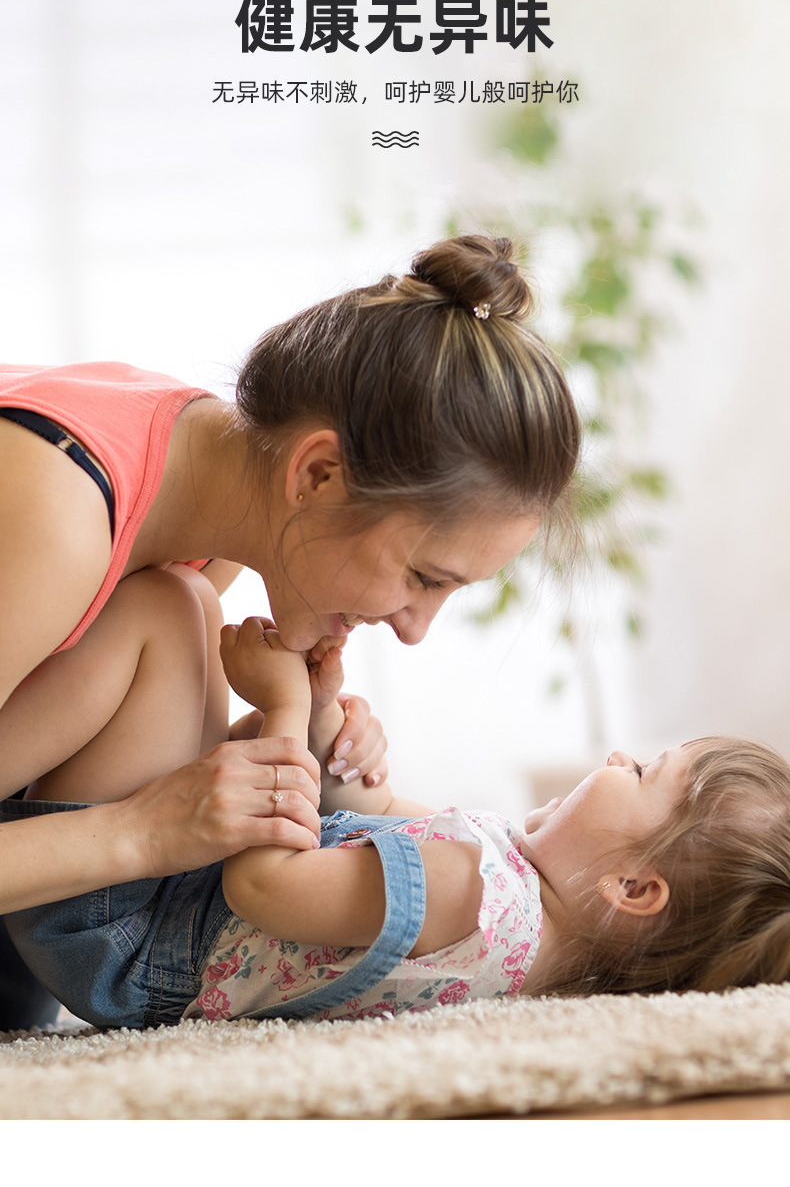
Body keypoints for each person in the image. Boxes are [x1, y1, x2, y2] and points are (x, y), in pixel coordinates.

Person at [0, 234, 582, 1027]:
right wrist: (139, 833)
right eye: (423, 577)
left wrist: (268, 751)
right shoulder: (58, 516)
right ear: (317, 474)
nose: (413, 632)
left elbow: (68, 729)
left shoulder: (198, 495)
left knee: (183, 609)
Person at [3, 605, 790, 1028]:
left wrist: (277, 701)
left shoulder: (471, 890)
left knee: (166, 613)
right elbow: (363, 807)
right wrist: (327, 730)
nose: (620, 756)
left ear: (632, 887)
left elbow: (264, 886)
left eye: (645, 772)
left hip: (126, 932)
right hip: (166, 892)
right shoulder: (516, 916)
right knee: (181, 626)